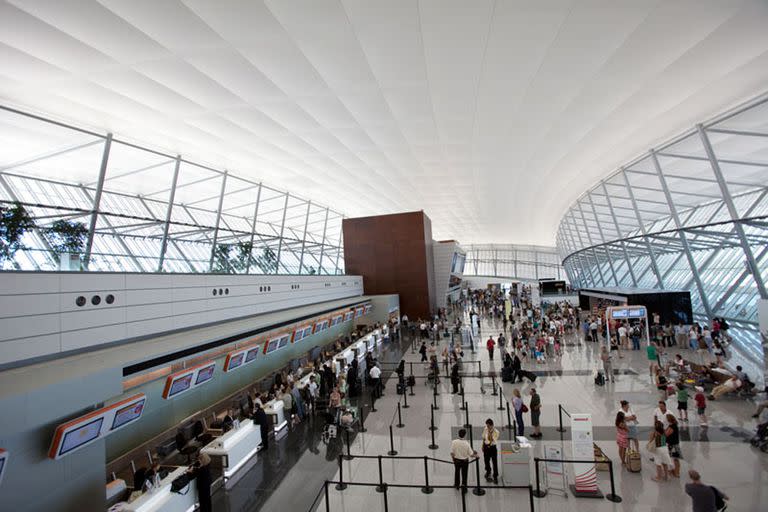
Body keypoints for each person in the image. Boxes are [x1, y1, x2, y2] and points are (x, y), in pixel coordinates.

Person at [450, 428, 477, 493]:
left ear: (458, 434)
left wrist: (453, 459)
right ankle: (464, 487)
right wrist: (476, 456)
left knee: (457, 472)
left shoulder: (454, 442)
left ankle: (457, 485)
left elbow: (452, 453)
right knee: (464, 474)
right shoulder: (467, 444)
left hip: (456, 460)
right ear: (464, 435)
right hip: (465, 461)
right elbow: (471, 455)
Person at [482, 419, 500, 483]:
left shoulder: (496, 432)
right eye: (487, 426)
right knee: (486, 460)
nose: (487, 427)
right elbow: (484, 438)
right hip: (486, 447)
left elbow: (493, 440)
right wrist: (483, 446)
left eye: (488, 426)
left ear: (492, 425)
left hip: (492, 448)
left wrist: (490, 433)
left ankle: (495, 476)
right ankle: (488, 471)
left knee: (494, 462)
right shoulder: (485, 429)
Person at [665, 413, 682, 478]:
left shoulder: (672, 426)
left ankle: (675, 472)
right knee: (675, 458)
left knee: (674, 458)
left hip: (672, 445)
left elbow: (666, 434)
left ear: (669, 420)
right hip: (675, 444)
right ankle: (675, 471)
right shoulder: (674, 425)